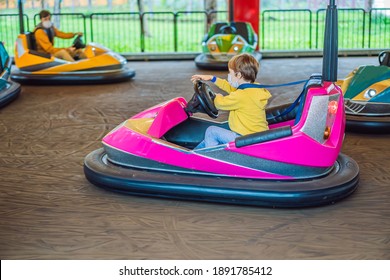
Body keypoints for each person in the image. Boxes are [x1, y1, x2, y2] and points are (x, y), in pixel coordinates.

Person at [191, 53, 271, 149]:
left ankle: (212, 159)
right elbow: (231, 88)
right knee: (211, 136)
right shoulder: (254, 89)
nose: (229, 76)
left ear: (239, 75)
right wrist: (212, 78)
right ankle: (194, 154)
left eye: (230, 73)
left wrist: (217, 96)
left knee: (211, 131)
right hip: (256, 136)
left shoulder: (242, 95)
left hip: (245, 138)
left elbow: (219, 104)